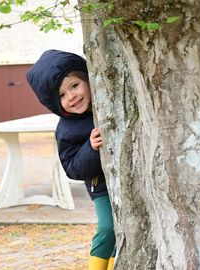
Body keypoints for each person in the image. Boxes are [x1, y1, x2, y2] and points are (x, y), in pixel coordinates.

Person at [26, 49, 116, 270]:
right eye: (62, 96)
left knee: (125, 228)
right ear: (54, 104)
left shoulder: (110, 103)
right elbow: (72, 168)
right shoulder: (66, 130)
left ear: (88, 78)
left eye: (74, 86)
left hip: (127, 179)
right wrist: (91, 148)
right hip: (101, 186)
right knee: (108, 227)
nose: (72, 96)